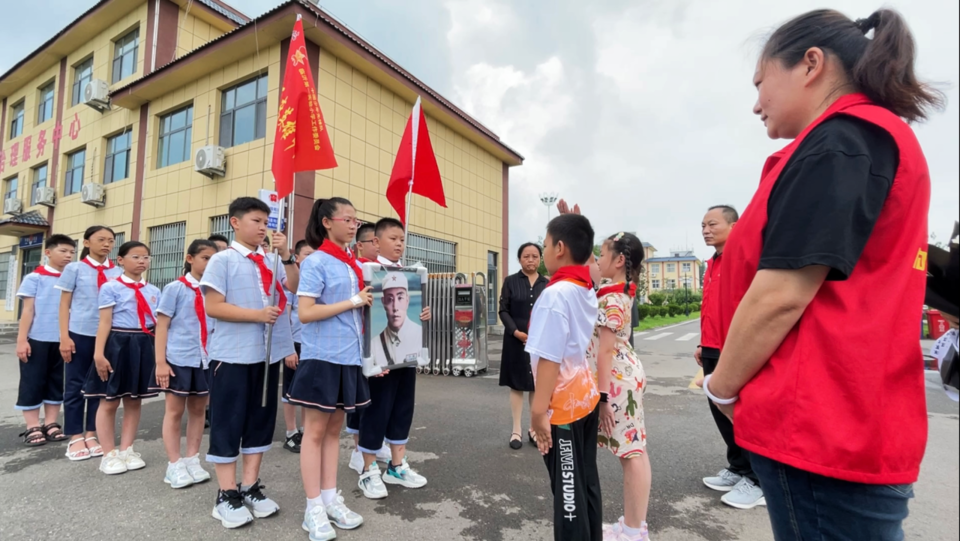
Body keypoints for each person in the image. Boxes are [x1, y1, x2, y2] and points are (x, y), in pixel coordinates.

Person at [706, 9, 944, 540]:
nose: (755, 102)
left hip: (820, 424)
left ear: (811, 64)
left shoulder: (842, 141)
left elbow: (781, 295)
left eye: (761, 82)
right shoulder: (864, 140)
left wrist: (721, 388)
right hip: (843, 421)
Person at [201, 197, 299, 529]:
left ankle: (250, 486)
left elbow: (295, 287)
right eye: (256, 221)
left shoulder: (272, 261)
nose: (262, 228)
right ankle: (226, 494)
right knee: (228, 422)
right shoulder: (222, 261)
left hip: (268, 354)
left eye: (266, 223)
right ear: (235, 222)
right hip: (232, 355)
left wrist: (286, 256)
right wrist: (257, 315)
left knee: (260, 420)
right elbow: (214, 306)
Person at [288, 197, 370, 540]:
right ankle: (313, 508)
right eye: (347, 219)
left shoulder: (352, 263)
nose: (354, 224)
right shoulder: (318, 261)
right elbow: (305, 311)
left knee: (335, 432)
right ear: (327, 222)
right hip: (322, 357)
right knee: (316, 432)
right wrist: (353, 301)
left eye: (355, 219)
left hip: (349, 357)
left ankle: (329, 497)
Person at [527, 213, 602, 541]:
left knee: (568, 495)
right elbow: (593, 267)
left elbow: (548, 358)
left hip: (564, 410)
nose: (541, 252)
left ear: (559, 248)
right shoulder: (584, 286)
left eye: (544, 245)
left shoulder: (555, 295)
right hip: (586, 399)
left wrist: (538, 412)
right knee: (586, 484)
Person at [354, 217, 431, 500]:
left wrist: (423, 315)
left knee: (402, 409)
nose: (399, 244)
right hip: (378, 358)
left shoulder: (411, 274)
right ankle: (369, 469)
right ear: (376, 242)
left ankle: (397, 466)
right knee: (376, 412)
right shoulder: (366, 273)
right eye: (392, 239)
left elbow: (413, 311)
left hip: (406, 357)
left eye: (402, 239)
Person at [696, 205, 763, 509]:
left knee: (743, 415)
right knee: (720, 413)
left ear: (735, 226)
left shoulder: (745, 259)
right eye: (703, 225)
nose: (706, 230)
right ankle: (739, 468)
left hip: (734, 348)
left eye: (713, 224)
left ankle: (760, 481)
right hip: (712, 347)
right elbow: (711, 306)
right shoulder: (712, 262)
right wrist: (702, 343)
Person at [591, 232, 652, 541]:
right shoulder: (616, 289)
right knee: (635, 450)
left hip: (616, 382)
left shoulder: (612, 298)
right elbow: (588, 265)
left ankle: (631, 532)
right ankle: (634, 524)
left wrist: (602, 398)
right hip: (622, 376)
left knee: (632, 453)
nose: (597, 259)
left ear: (618, 261)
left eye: (602, 254)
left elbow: (604, 351)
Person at [81, 241, 161, 475]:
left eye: (146, 257)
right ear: (121, 261)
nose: (141, 261)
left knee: (134, 400)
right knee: (109, 399)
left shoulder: (154, 291)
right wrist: (99, 354)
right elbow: (105, 322)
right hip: (117, 344)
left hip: (143, 343)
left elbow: (158, 324)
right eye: (135, 256)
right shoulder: (111, 287)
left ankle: (127, 449)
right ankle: (109, 454)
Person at [151, 239, 218, 489]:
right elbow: (162, 325)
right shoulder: (175, 288)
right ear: (190, 259)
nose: (210, 263)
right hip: (179, 358)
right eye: (205, 258)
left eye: (214, 259)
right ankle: (174, 464)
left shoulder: (215, 290)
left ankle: (192, 458)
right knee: (175, 411)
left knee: (199, 410)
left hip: (206, 358)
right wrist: (160, 362)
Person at [56, 225, 122, 461]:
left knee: (100, 385)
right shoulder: (74, 268)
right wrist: (64, 337)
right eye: (101, 239)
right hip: (80, 333)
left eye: (111, 241)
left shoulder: (117, 272)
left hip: (108, 335)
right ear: (86, 243)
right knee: (74, 384)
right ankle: (75, 435)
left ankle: (92, 433)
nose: (106, 244)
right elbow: (64, 305)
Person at [15, 234, 77, 447]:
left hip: (64, 340)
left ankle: (51, 423)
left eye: (71, 252)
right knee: (32, 382)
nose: (68, 256)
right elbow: (28, 310)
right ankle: (32, 426)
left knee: (56, 381)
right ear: (48, 252)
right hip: (38, 339)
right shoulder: (35, 278)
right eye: (63, 251)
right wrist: (22, 340)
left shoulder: (73, 277)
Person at [498, 242, 548, 449]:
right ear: (519, 259)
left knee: (536, 384)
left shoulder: (547, 283)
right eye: (526, 256)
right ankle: (516, 430)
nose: (530, 260)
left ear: (540, 259)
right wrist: (515, 332)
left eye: (535, 256)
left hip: (540, 343)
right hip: (515, 340)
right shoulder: (510, 281)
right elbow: (503, 310)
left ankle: (534, 429)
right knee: (517, 385)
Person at [282, 240, 316, 454]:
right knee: (289, 391)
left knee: (306, 391)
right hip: (294, 343)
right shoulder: (291, 284)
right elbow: (284, 318)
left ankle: (304, 429)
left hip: (312, 344)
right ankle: (290, 432)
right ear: (296, 257)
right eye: (307, 254)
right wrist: (288, 349)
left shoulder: (314, 281)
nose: (311, 258)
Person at [370, 272, 422, 368]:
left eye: (400, 298)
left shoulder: (420, 335)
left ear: (407, 300)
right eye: (390, 299)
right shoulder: (374, 344)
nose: (395, 307)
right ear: (383, 302)